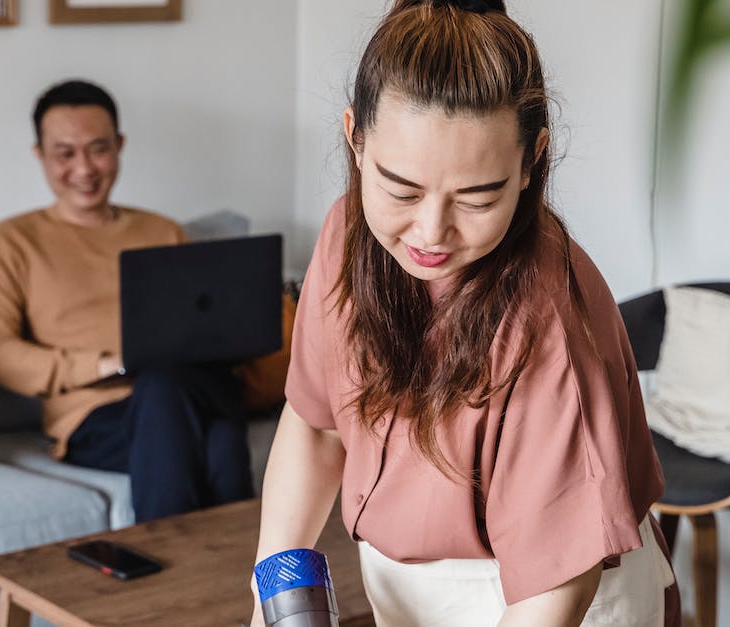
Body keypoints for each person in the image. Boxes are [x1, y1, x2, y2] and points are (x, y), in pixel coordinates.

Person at [250, 2, 679, 626]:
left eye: (478, 197)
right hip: (402, 589)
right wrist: (275, 597)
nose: (431, 232)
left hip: (547, 598)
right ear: (355, 136)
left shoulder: (547, 317)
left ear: (532, 158)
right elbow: (317, 427)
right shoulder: (345, 235)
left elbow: (553, 589)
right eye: (400, 189)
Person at [0, 79, 254, 523]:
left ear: (119, 146)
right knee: (217, 437)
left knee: (175, 390)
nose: (84, 169)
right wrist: (105, 363)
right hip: (96, 419)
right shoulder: (11, 242)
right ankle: (239, 579)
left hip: (188, 389)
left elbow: (206, 325)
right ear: (39, 155)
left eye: (98, 149)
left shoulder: (162, 232)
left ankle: (184, 583)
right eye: (65, 153)